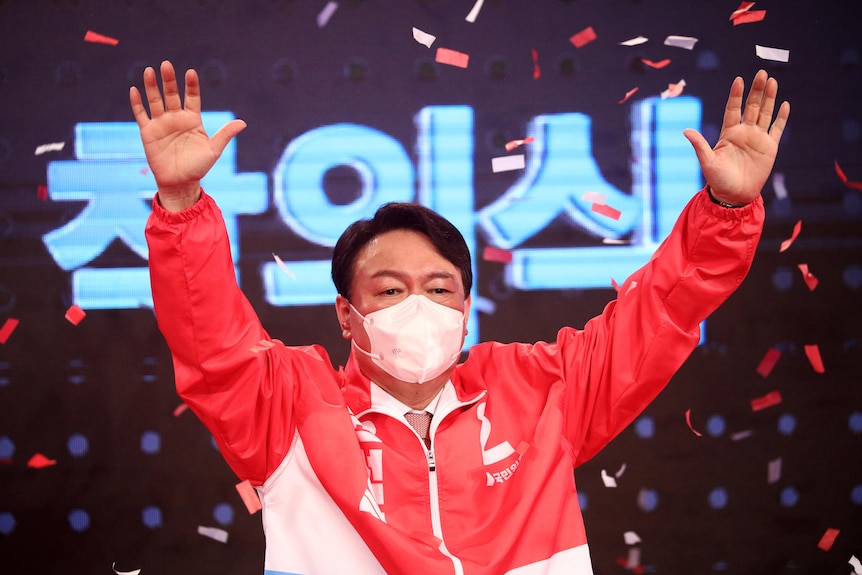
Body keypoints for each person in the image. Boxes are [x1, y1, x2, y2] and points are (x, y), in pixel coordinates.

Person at [131, 60, 789, 575]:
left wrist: (724, 213)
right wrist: (182, 204)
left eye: (440, 287)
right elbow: (209, 338)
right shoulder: (287, 407)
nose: (418, 305)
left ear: (466, 310)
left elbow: (662, 312)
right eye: (389, 291)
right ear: (346, 313)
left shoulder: (541, 391)